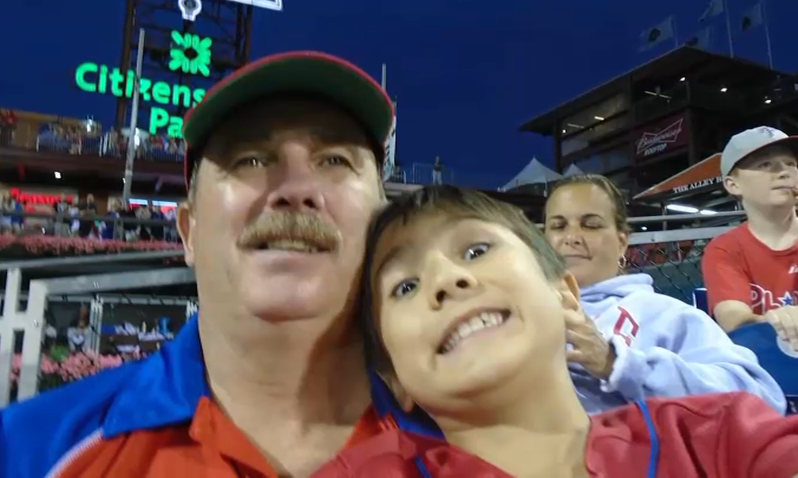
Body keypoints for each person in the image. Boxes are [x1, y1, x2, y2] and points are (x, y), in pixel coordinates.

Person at [0, 51, 395, 476]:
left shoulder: (459, 442)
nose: (296, 188)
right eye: (251, 159)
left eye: (334, 160)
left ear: (386, 220)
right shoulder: (20, 453)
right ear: (188, 231)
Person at [313, 185, 798, 477]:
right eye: (406, 286)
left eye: (476, 251)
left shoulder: (710, 434)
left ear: (565, 296)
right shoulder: (370, 471)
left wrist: (615, 361)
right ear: (392, 375)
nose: (445, 279)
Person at [543, 173, 785, 414]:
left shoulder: (665, 315)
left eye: (591, 225)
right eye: (558, 225)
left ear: (622, 242)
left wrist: (617, 364)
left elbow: (760, 398)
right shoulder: (522, 313)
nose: (571, 237)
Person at [702, 126, 798, 350]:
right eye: (765, 165)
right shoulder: (724, 249)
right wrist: (781, 321)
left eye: (791, 163)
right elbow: (734, 321)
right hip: (766, 371)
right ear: (733, 184)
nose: (784, 172)